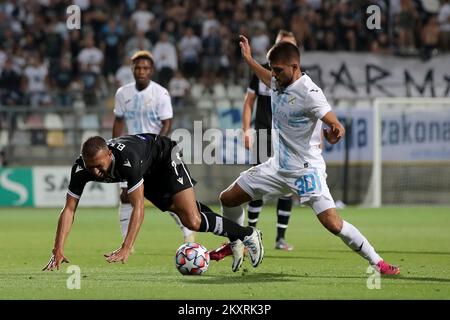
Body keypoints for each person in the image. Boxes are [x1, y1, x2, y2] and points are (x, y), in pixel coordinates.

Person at [214, 35, 400, 275]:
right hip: (276, 167)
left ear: (295, 67)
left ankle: (378, 262)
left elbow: (334, 122)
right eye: (272, 69)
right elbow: (264, 75)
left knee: (333, 224)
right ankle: (237, 241)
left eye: (278, 70)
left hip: (305, 170)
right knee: (227, 198)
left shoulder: (310, 92)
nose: (274, 75)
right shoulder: (277, 80)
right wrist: (249, 59)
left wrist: (335, 131)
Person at [42, 134, 264, 271]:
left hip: (164, 155)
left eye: (99, 165)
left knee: (192, 220)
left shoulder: (126, 159)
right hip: (148, 171)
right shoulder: (81, 169)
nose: (96, 172)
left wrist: (126, 247)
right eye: (91, 167)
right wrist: (58, 249)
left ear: (109, 154)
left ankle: (247, 234)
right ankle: (235, 236)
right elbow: (69, 209)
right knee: (188, 215)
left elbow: (138, 205)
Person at [209, 31, 298, 262]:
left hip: (286, 139)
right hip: (263, 135)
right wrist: (246, 129)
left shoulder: (300, 79)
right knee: (255, 183)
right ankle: (249, 233)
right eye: (281, 45)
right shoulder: (261, 74)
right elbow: (248, 103)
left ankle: (280, 237)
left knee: (287, 188)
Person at [112, 50, 195, 245]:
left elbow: (167, 123)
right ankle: (126, 242)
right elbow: (118, 121)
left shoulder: (161, 93)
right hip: (130, 153)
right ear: (131, 69)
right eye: (138, 68)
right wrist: (115, 146)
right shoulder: (123, 93)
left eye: (146, 68)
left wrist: (155, 147)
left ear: (152, 71)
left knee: (167, 199)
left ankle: (188, 232)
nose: (141, 71)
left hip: (156, 152)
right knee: (125, 196)